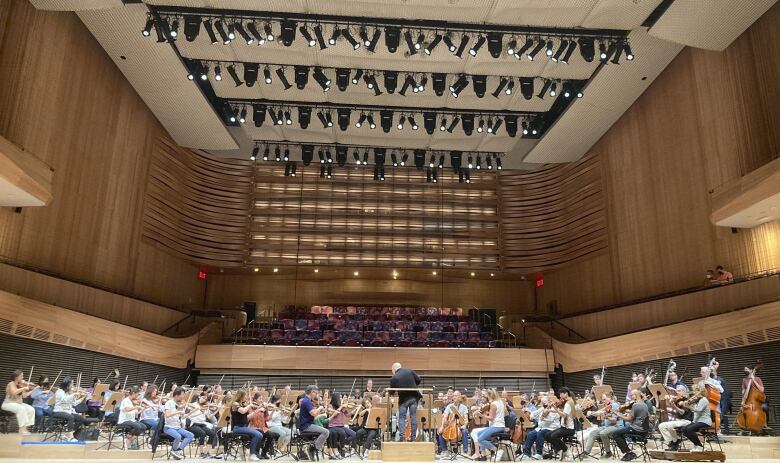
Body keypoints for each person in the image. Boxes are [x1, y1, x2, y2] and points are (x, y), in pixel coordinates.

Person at [610, 389, 649, 462]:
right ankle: (628, 452)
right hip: (643, 429)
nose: (630, 397)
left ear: (636, 395)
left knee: (615, 434)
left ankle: (629, 453)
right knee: (620, 432)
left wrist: (618, 414)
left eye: (632, 395)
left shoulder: (636, 405)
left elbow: (629, 419)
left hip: (636, 428)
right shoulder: (644, 404)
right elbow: (638, 416)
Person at [520, 394, 559, 460]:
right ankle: (526, 454)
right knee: (530, 434)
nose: (543, 404)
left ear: (549, 402)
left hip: (551, 428)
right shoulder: (542, 408)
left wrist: (542, 417)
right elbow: (534, 413)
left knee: (540, 433)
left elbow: (549, 420)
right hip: (541, 428)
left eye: (545, 403)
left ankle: (539, 453)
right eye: (542, 403)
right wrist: (530, 413)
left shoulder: (553, 410)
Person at [389, 362, 421, 442]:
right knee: (413, 416)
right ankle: (413, 437)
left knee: (402, 417)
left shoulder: (394, 377)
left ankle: (402, 437)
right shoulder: (409, 370)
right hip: (414, 397)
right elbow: (418, 380)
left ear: (393, 369)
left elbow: (391, 392)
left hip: (403, 399)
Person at [52, 376, 90, 442]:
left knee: (80, 418)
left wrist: (82, 398)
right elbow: (65, 400)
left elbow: (74, 403)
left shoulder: (68, 393)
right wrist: (74, 394)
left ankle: (68, 434)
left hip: (67, 412)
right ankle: (70, 437)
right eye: (71, 384)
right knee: (71, 417)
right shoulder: (59, 391)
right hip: (58, 411)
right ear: (67, 385)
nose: (72, 386)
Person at [299, 385, 329, 461]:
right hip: (306, 426)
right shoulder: (306, 401)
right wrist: (320, 408)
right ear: (312, 392)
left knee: (325, 431)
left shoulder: (307, 401)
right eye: (316, 393)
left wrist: (321, 414)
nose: (316, 395)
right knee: (326, 432)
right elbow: (313, 413)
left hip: (309, 424)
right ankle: (312, 449)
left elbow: (313, 416)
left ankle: (312, 447)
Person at [658, 385, 693, 451]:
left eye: (679, 391)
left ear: (684, 392)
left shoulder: (687, 400)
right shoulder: (678, 400)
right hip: (678, 420)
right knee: (662, 426)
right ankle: (674, 441)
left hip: (686, 421)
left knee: (666, 425)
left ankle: (674, 443)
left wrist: (674, 406)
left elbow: (682, 412)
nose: (677, 392)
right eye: (676, 391)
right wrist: (668, 399)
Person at [163, 388, 195, 460]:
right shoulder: (169, 403)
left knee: (190, 435)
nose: (183, 396)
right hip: (168, 427)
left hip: (177, 427)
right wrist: (178, 412)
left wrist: (191, 412)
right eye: (182, 394)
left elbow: (183, 417)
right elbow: (167, 415)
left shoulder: (178, 404)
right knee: (178, 437)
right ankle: (174, 451)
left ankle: (177, 451)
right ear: (177, 394)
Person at [231, 389, 263, 461]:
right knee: (257, 435)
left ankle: (246, 448)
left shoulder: (243, 404)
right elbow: (242, 411)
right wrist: (249, 405)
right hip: (237, 427)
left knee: (260, 434)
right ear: (241, 396)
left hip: (244, 427)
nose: (247, 397)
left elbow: (248, 416)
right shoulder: (235, 404)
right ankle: (252, 454)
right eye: (245, 396)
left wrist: (259, 407)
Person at [475, 388, 506, 461]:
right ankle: (483, 455)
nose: (486, 397)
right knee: (479, 433)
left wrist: (481, 415)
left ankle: (496, 450)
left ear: (490, 395)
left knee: (480, 439)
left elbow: (491, 418)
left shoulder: (493, 404)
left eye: (486, 396)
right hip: (500, 425)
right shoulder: (500, 401)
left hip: (497, 426)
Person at [681, 384, 714, 452]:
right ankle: (697, 445)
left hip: (705, 421)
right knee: (684, 429)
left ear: (700, 391)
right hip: (697, 421)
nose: (694, 392)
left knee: (690, 429)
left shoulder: (703, 399)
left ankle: (700, 446)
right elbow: (694, 411)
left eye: (696, 390)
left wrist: (688, 406)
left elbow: (698, 410)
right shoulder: (697, 400)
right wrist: (687, 404)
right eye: (693, 390)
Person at [546, 387, 576, 459]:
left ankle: (565, 450)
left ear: (566, 393)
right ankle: (561, 450)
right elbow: (562, 411)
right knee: (547, 435)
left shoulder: (569, 403)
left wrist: (556, 408)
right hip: (564, 427)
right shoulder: (569, 402)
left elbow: (563, 415)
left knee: (553, 436)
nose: (560, 396)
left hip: (569, 428)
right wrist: (551, 410)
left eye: (561, 394)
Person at [437, 390, 469, 455]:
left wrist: (464, 425)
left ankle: (465, 450)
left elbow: (466, 419)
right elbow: (445, 417)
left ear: (459, 397)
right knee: (440, 432)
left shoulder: (464, 407)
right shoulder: (449, 406)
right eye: (453, 395)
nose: (454, 397)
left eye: (456, 395)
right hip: (451, 425)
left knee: (465, 431)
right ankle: (445, 450)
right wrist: (442, 426)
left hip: (460, 426)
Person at [188, 394, 219, 458]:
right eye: (203, 398)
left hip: (202, 424)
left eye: (205, 399)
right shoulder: (193, 405)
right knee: (203, 433)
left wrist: (217, 410)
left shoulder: (205, 407)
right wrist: (199, 410)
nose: (204, 400)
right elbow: (189, 416)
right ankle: (201, 452)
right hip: (194, 424)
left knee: (212, 434)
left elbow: (209, 417)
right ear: (199, 397)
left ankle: (206, 452)